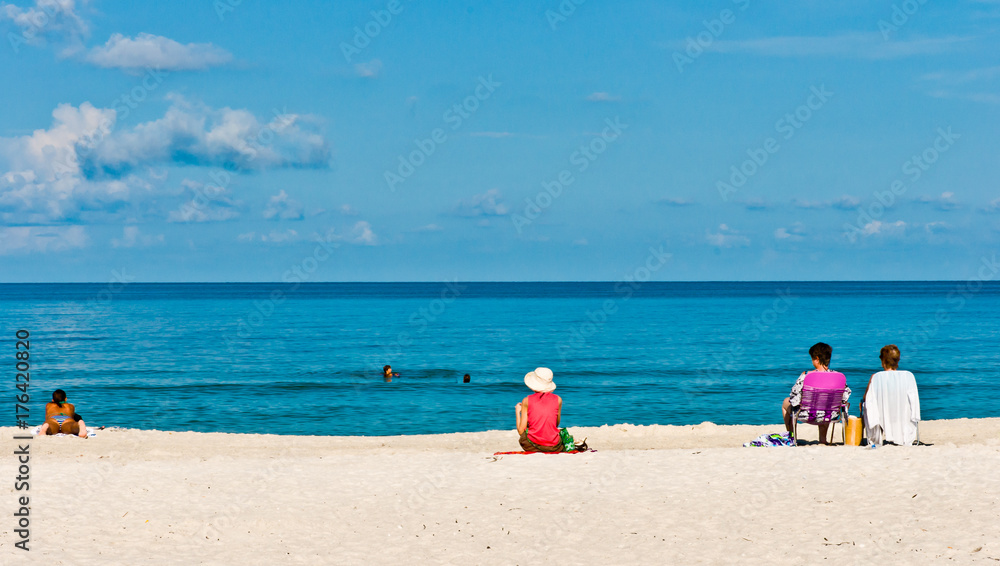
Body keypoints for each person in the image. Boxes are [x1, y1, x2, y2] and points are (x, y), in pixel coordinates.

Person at [781, 342, 851, 444]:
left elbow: (794, 397)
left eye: (812, 358)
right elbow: (845, 397)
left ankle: (791, 437)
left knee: (785, 402)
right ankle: (823, 440)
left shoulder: (807, 375)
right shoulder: (838, 377)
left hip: (807, 414)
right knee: (826, 403)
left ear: (817, 359)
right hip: (830, 415)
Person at [861, 344, 920, 446]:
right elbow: (914, 400)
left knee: (864, 404)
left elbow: (867, 399)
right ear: (897, 361)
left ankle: (875, 438)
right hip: (902, 415)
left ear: (883, 361)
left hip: (881, 415)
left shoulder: (876, 377)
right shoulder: (908, 376)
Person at [515, 367, 563, 452]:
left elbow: (521, 431)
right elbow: (556, 424)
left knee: (524, 436)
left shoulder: (527, 401)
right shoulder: (558, 399)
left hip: (532, 446)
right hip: (554, 446)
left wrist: (518, 412)